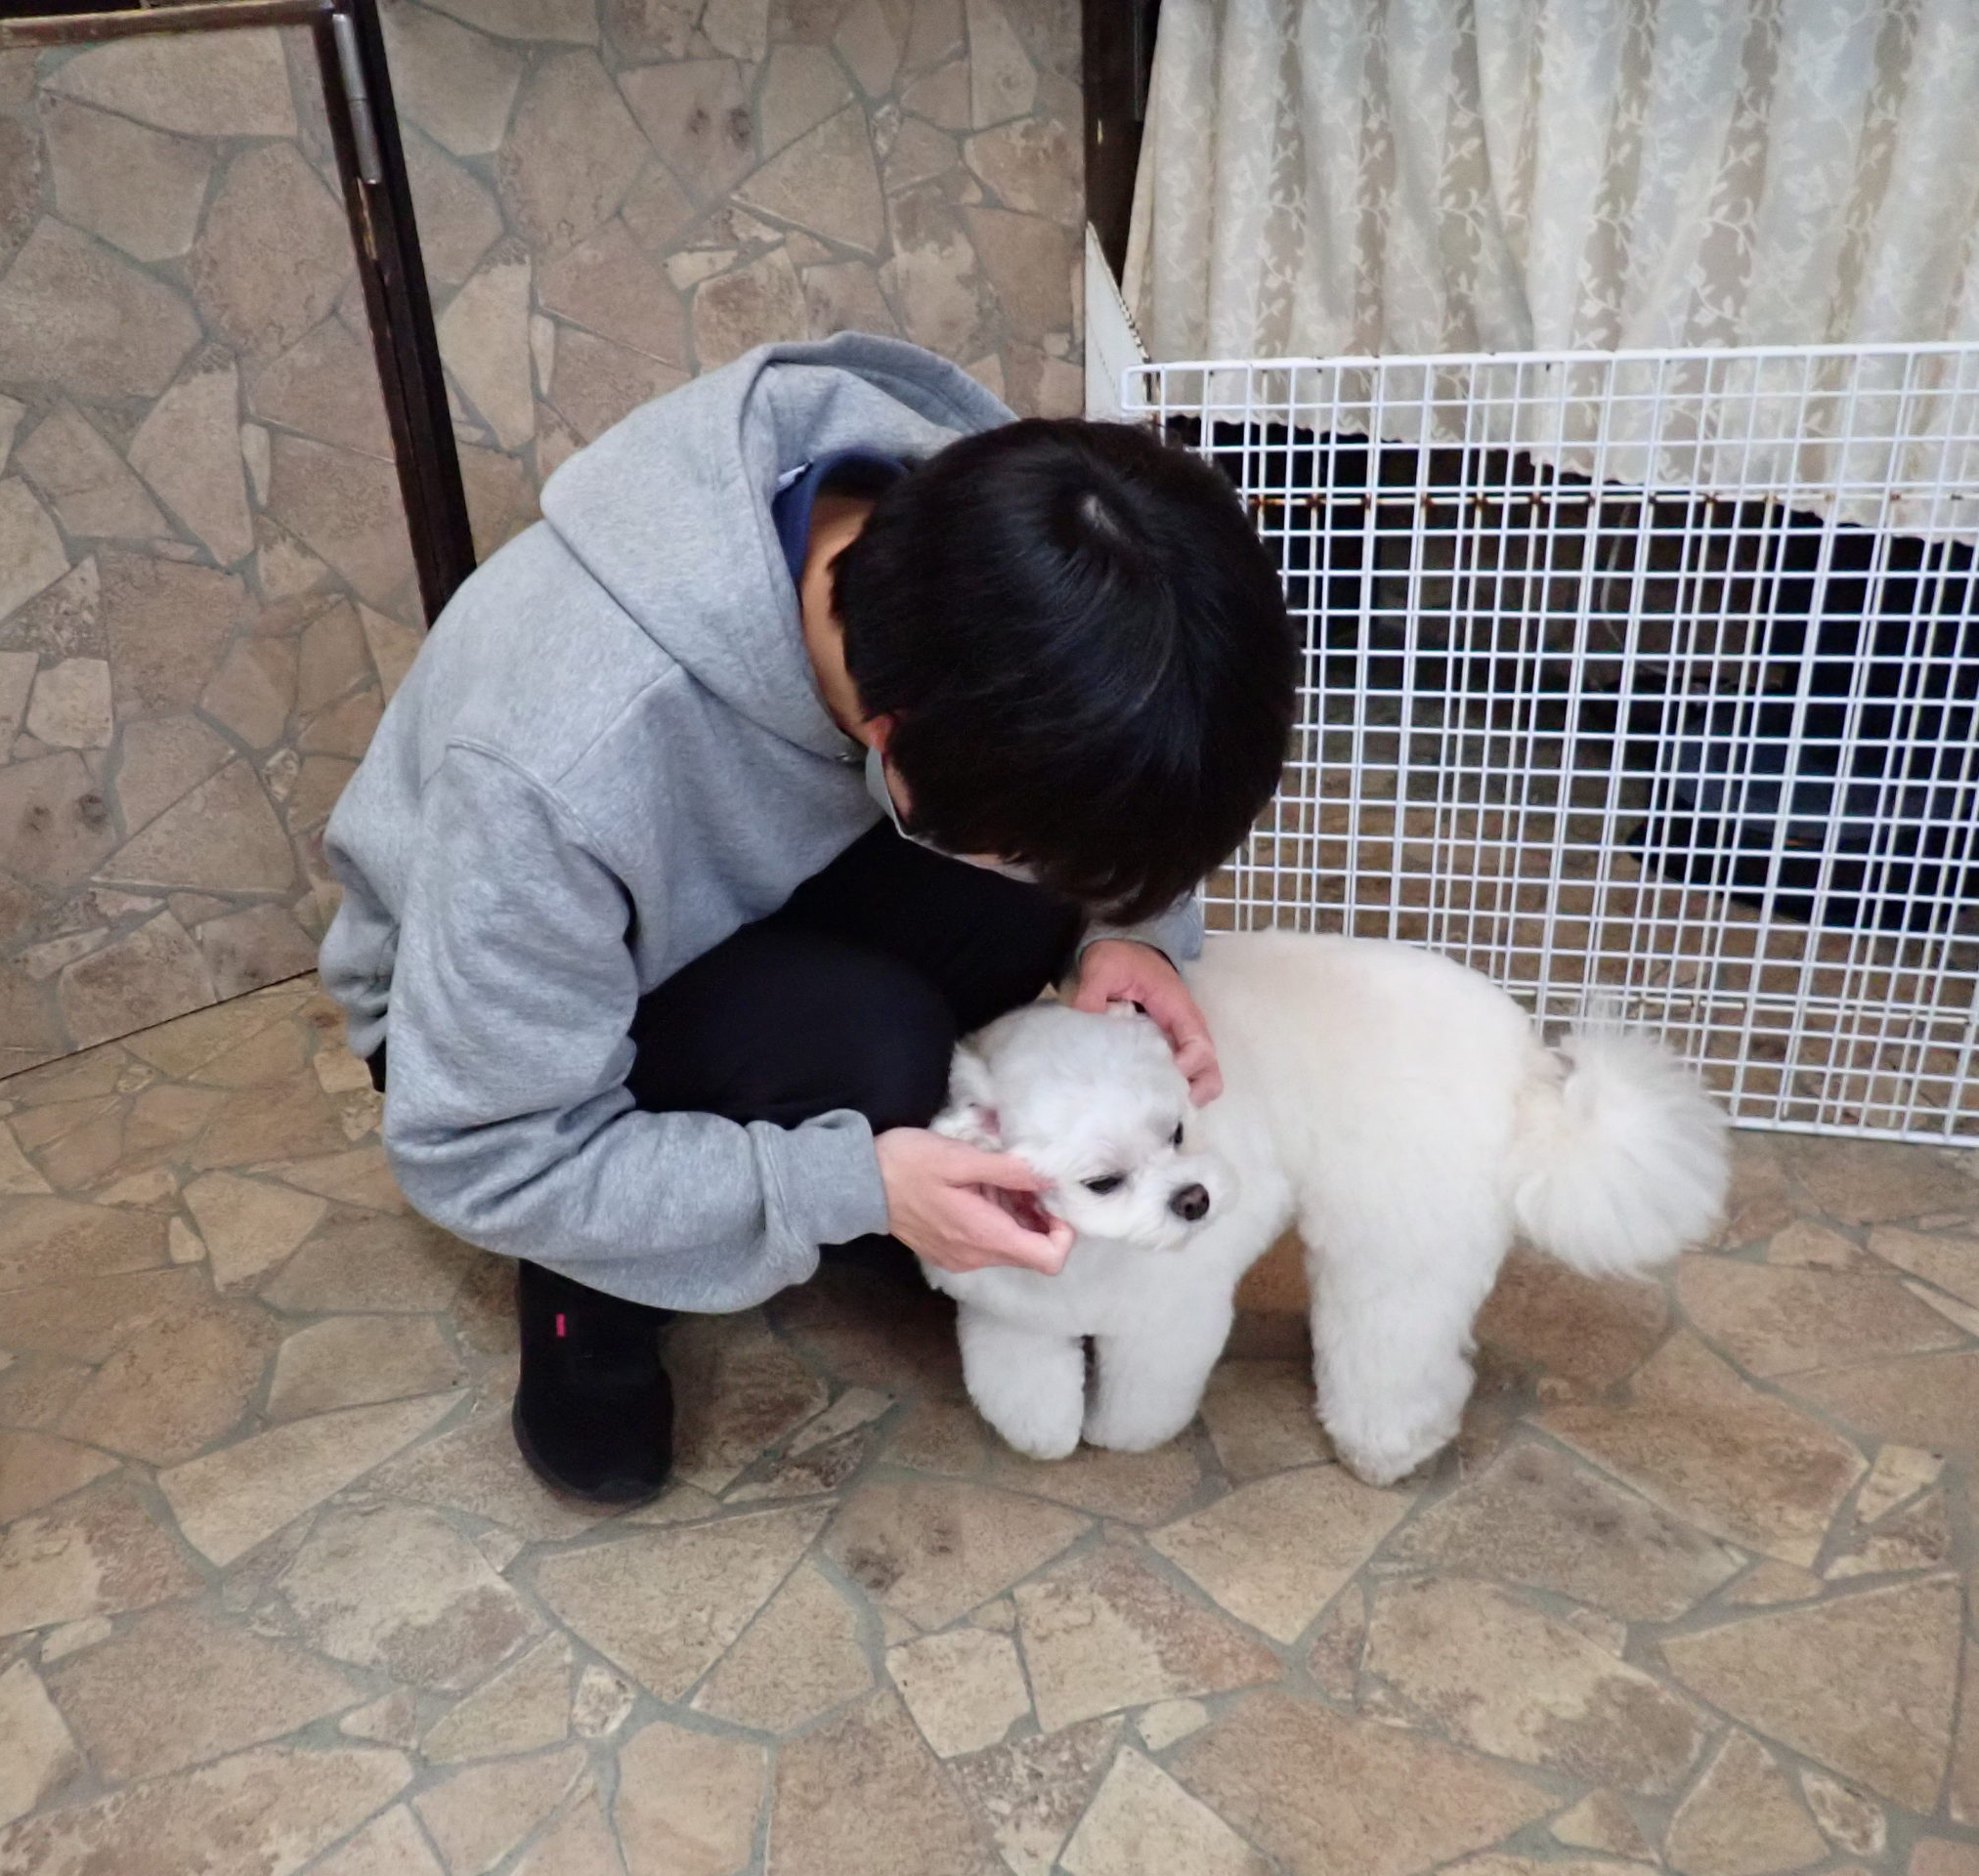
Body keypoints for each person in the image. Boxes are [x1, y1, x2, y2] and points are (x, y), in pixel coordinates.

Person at [322, 334, 1293, 1505]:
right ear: (892, 748)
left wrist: (1127, 931)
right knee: (876, 1045)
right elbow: (471, 1147)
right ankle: (593, 1284)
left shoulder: (1009, 528)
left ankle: (841, 1162)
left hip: (743, 880)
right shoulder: (557, 764)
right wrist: (843, 1187)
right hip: (495, 1060)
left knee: (1011, 917)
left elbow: (1112, 758)